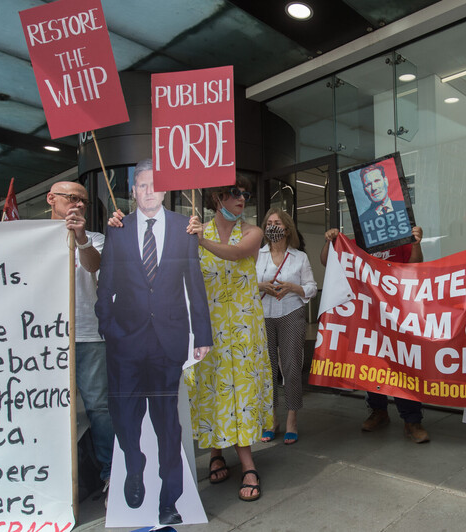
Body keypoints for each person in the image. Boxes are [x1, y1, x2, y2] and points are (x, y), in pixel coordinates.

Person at [95, 159, 212, 526]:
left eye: (154, 185)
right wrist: (106, 327)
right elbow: (106, 284)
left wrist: (203, 334)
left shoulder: (184, 228)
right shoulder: (118, 229)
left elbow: (194, 283)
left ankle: (169, 498)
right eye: (142, 186)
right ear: (133, 191)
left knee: (167, 425)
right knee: (125, 418)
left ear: (165, 190)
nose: (149, 192)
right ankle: (133, 466)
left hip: (168, 341)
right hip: (125, 342)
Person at [185, 178, 273, 502]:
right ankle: (215, 452)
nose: (242, 199)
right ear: (217, 195)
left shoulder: (253, 232)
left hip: (243, 326)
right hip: (208, 326)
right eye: (236, 193)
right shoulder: (197, 230)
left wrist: (200, 242)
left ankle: (247, 463)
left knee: (243, 391)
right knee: (212, 388)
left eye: (246, 194)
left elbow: (236, 254)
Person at [320, 226, 430, 443]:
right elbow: (327, 261)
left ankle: (412, 420)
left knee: (400, 364)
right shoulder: (356, 240)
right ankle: (378, 411)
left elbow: (415, 263)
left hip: (397, 313)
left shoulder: (399, 237)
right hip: (367, 313)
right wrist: (329, 241)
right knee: (372, 363)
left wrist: (416, 244)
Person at [47, 182, 115, 493]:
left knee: (98, 406)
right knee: (50, 408)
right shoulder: (33, 237)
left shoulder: (96, 239)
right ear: (52, 200)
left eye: (84, 201)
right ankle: (55, 477)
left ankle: (109, 474)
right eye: (72, 198)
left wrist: (81, 237)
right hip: (44, 338)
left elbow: (93, 267)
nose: (78, 204)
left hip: (88, 334)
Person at [256, 209, 317, 445]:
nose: (273, 226)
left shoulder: (299, 257)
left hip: (292, 312)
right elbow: (245, 283)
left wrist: (293, 287)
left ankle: (292, 417)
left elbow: (311, 287)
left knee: (291, 367)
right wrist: (263, 285)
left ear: (287, 228)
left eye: (277, 223)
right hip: (263, 316)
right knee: (267, 369)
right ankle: (272, 418)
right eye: (269, 222)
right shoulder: (257, 255)